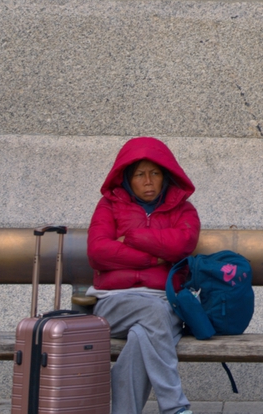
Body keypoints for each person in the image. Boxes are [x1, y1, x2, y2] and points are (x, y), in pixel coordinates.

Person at [86, 137, 201, 414]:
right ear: (127, 178)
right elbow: (98, 251)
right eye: (139, 174)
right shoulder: (108, 206)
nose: (148, 181)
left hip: (166, 302)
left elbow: (182, 243)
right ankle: (175, 407)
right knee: (152, 314)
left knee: (142, 335)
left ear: (166, 176)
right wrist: (154, 257)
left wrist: (132, 238)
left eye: (155, 173)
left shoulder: (183, 209)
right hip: (114, 302)